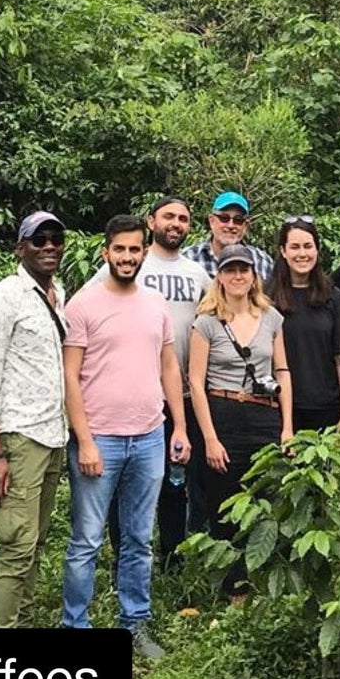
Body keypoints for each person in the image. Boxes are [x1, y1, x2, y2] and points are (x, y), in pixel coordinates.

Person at [62, 215, 190, 654]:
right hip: (101, 439)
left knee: (139, 539)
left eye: (135, 250)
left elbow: (169, 366)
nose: (128, 257)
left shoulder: (155, 304)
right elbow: (70, 376)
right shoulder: (83, 305)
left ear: (144, 253)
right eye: (120, 249)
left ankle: (134, 623)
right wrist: (85, 441)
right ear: (106, 252)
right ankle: (74, 624)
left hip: (150, 437)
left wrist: (181, 427)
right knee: (87, 540)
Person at [0, 209, 69, 628]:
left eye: (55, 239)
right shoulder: (3, 298)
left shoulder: (57, 294)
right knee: (17, 545)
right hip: (18, 437)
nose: (48, 246)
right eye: (38, 239)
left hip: (52, 435)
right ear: (20, 248)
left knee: (36, 543)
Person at [97, 195, 208, 566]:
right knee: (125, 484)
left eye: (183, 218)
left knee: (175, 481)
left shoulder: (196, 273)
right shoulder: (133, 262)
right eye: (168, 216)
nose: (176, 223)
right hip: (131, 393)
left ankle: (172, 557)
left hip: (181, 395)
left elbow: (217, 317)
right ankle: (123, 558)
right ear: (152, 221)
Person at [188, 243, 294, 597]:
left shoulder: (271, 317)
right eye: (230, 270)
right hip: (224, 414)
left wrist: (287, 427)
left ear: (253, 276)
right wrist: (210, 438)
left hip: (264, 413)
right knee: (224, 503)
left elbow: (282, 371)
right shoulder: (206, 323)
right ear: (219, 276)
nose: (237, 276)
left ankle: (267, 584)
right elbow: (196, 383)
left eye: (243, 270)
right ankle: (232, 589)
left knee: (267, 499)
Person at [268, 216, 340, 431]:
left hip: (327, 409)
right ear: (283, 251)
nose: (302, 254)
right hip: (277, 408)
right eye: (294, 247)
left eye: (308, 246)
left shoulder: (334, 296)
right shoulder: (266, 298)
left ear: (317, 250)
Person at [184, 190, 274, 282]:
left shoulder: (262, 262)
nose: (231, 225)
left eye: (238, 220)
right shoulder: (189, 258)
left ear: (245, 226)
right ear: (212, 221)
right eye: (224, 218)